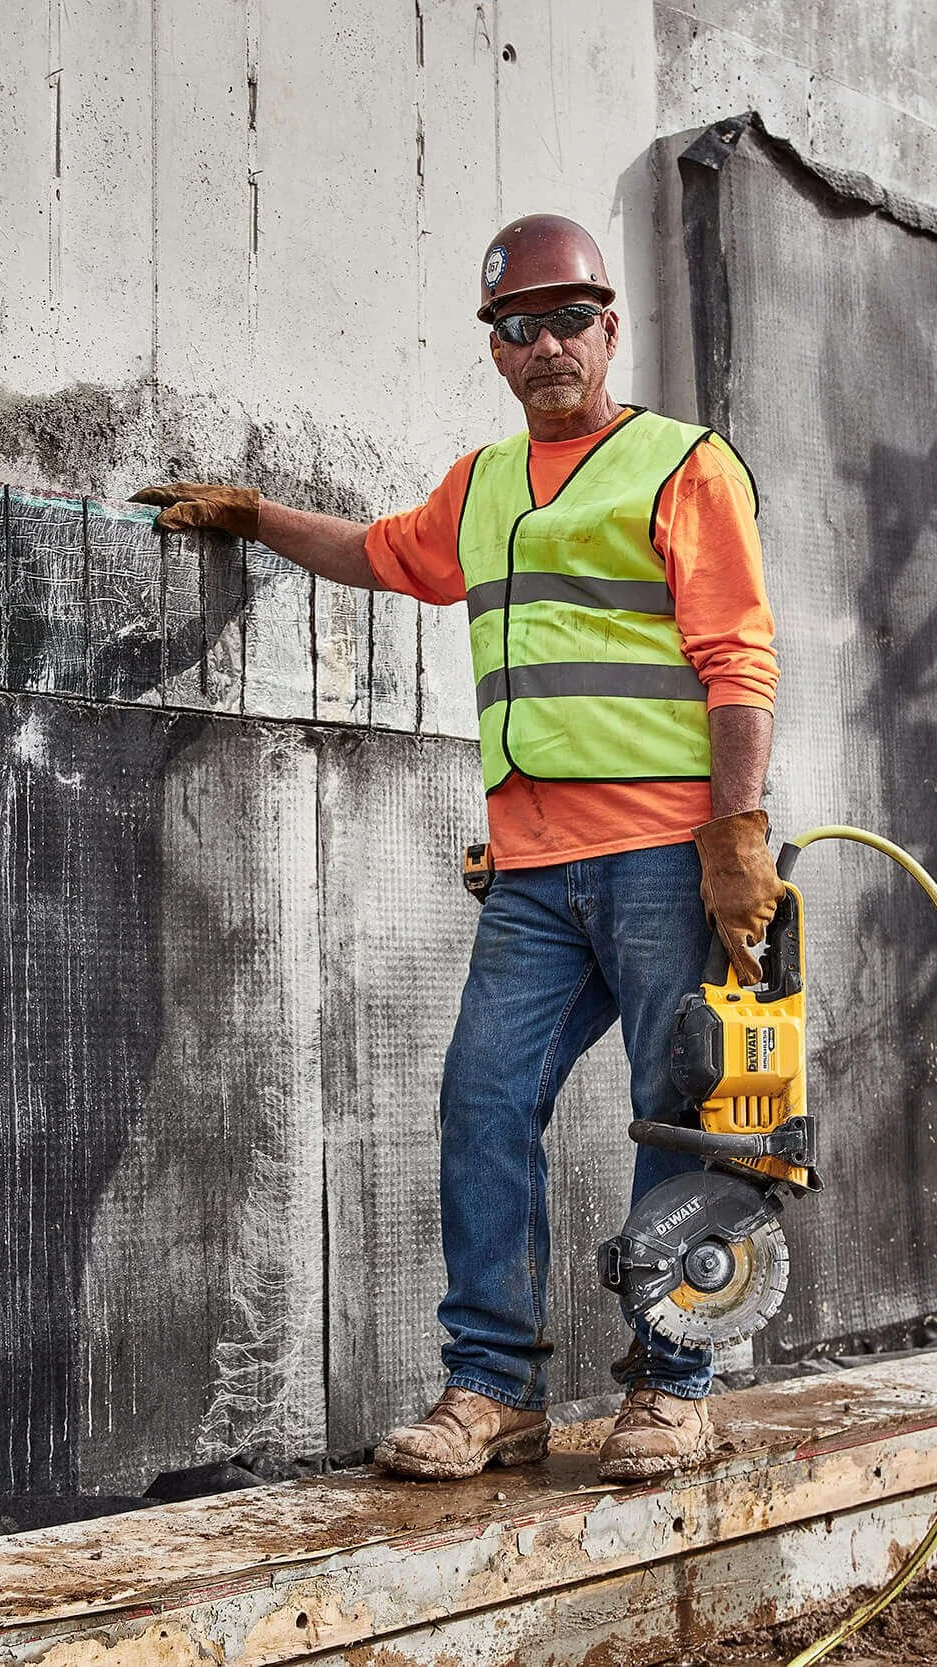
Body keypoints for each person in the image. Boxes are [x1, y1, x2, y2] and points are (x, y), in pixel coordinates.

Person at [135, 213, 778, 1484]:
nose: (544, 346)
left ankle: (674, 1379)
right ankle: (493, 1387)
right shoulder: (481, 487)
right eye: (514, 327)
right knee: (483, 1099)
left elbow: (735, 658)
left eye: (565, 320)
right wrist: (256, 516)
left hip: (663, 855)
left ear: (610, 325)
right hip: (534, 872)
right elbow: (379, 554)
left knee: (682, 1114)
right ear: (494, 351)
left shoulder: (681, 465)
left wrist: (734, 834)